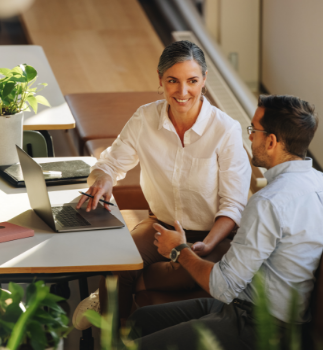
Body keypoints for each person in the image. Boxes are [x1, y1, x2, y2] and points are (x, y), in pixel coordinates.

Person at [126, 95, 323, 349]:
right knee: (139, 320)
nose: (250, 137)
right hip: (246, 307)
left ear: (271, 141)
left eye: (254, 130)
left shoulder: (267, 203)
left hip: (260, 328)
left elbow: (222, 286)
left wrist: (179, 251)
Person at [72, 40, 252, 329]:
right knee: (118, 260)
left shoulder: (225, 130)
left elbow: (233, 205)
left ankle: (128, 286)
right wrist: (104, 180)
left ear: (204, 80)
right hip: (160, 227)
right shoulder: (145, 118)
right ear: (160, 80)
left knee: (193, 270)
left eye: (192, 81)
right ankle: (114, 336)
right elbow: (110, 164)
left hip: (213, 235)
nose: (183, 92)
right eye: (173, 81)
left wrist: (204, 246)